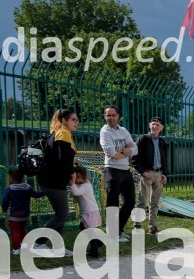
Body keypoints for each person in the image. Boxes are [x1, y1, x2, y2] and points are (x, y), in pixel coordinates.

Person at [34, 108, 78, 256]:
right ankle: (37, 243)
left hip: (52, 180)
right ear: (64, 120)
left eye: (77, 120)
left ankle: (58, 248)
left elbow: (63, 159)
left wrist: (71, 169)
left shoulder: (61, 133)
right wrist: (72, 172)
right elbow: (64, 159)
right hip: (52, 181)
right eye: (73, 119)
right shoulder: (63, 134)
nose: (76, 122)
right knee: (62, 214)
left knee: (61, 214)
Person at [100, 105, 136, 243]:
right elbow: (112, 154)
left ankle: (118, 230)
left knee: (130, 201)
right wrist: (126, 151)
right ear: (105, 116)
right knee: (113, 202)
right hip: (112, 170)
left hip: (126, 170)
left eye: (113, 115)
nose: (111, 118)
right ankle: (111, 234)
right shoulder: (104, 132)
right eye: (108, 115)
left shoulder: (123, 130)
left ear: (118, 116)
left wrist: (122, 152)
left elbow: (135, 148)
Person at [134, 116, 169, 235]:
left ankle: (153, 227)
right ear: (150, 125)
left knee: (155, 202)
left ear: (161, 128)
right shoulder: (143, 139)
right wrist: (143, 172)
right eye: (153, 124)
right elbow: (134, 157)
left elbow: (165, 159)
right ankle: (137, 226)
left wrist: (165, 173)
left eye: (157, 125)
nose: (155, 127)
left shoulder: (162, 142)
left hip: (159, 173)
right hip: (147, 173)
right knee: (142, 201)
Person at [1, 167, 44, 255]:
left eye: (9, 176)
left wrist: (4, 208)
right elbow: (36, 194)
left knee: (15, 231)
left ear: (12, 177)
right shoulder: (27, 187)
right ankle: (25, 247)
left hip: (14, 215)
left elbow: (4, 201)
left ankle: (17, 249)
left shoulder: (9, 189)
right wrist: (45, 192)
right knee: (23, 229)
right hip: (25, 214)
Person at [70, 166, 102, 258]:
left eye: (74, 177)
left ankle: (94, 250)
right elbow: (72, 195)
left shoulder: (86, 186)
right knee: (84, 227)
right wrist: (74, 185)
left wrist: (72, 184)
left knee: (89, 231)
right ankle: (99, 242)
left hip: (90, 212)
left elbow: (76, 193)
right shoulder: (81, 186)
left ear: (79, 176)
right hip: (89, 212)